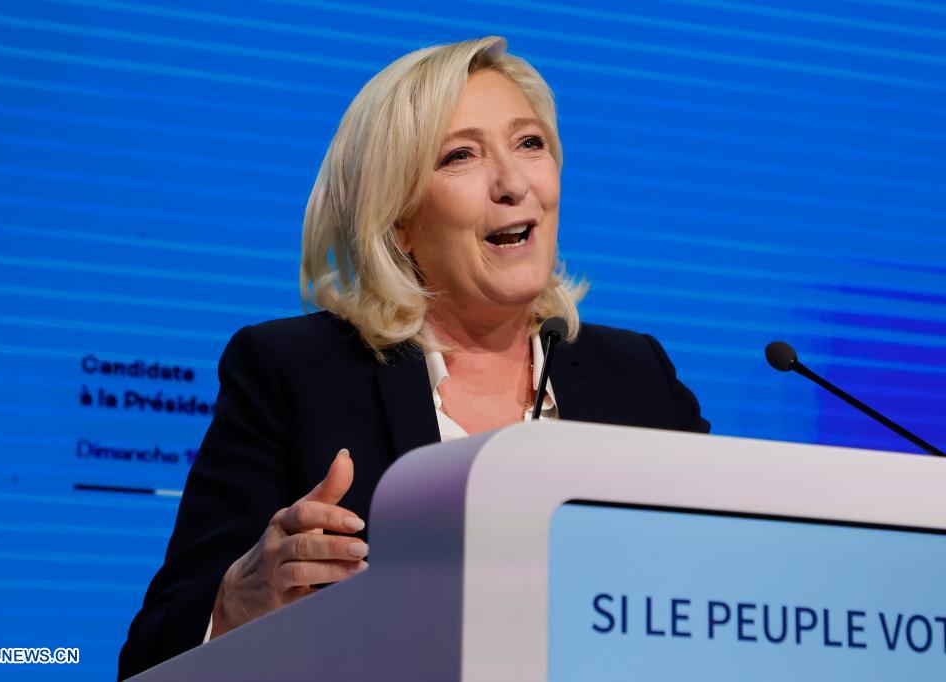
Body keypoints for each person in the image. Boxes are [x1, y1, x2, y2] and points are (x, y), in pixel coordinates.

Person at [118, 36, 708, 680]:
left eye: (530, 143)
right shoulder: (295, 373)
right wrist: (238, 602)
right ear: (397, 218)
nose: (515, 184)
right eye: (461, 156)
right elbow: (148, 658)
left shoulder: (639, 377)